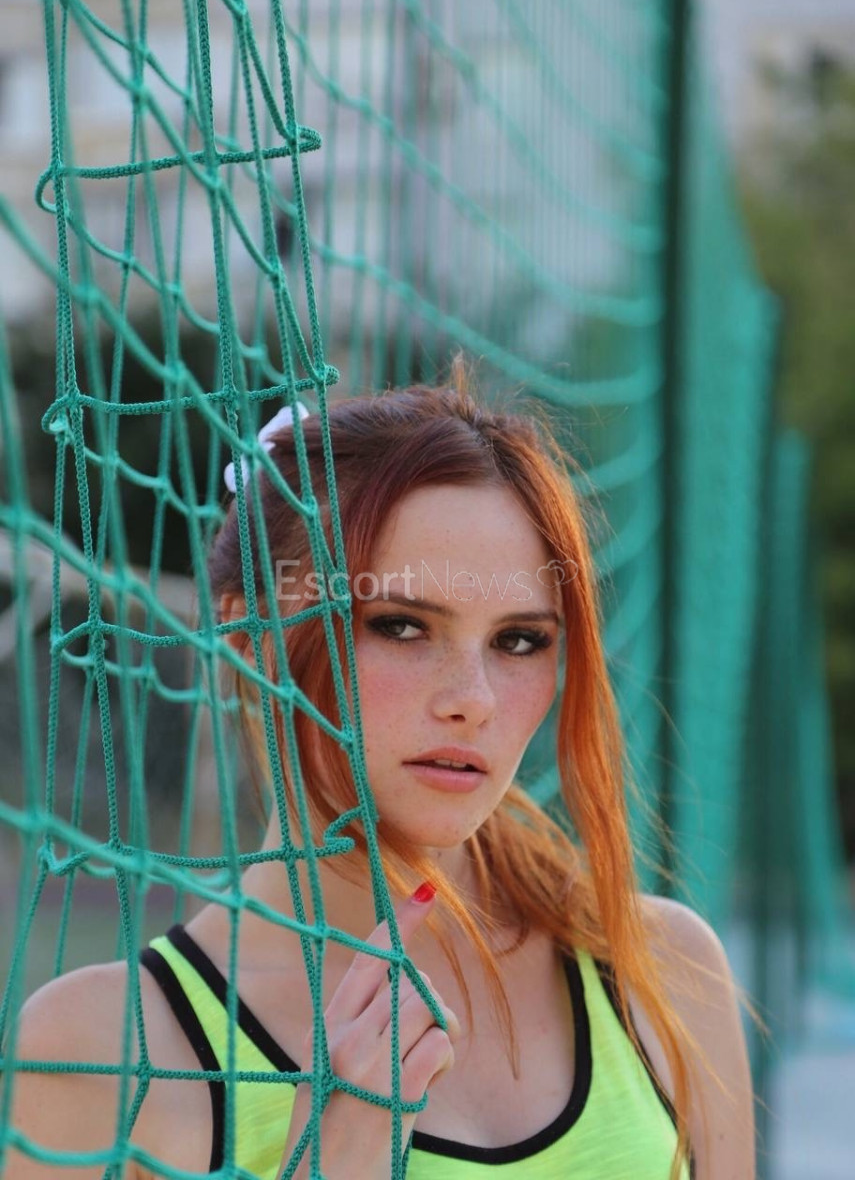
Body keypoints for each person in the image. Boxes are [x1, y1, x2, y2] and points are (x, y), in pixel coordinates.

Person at [5, 370, 755, 1179]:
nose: (473, 700)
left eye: (518, 641)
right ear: (250, 642)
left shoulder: (660, 968)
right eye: (400, 626)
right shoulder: (107, 1051)